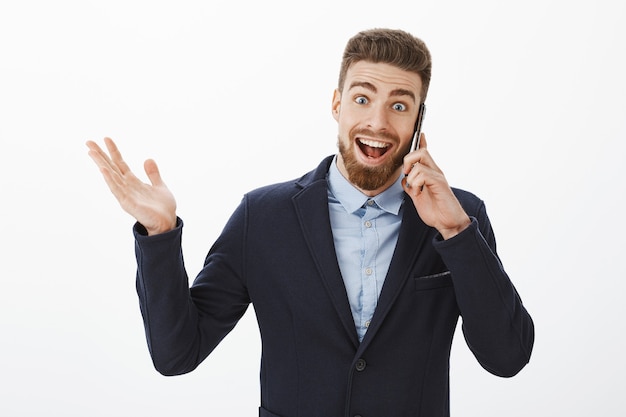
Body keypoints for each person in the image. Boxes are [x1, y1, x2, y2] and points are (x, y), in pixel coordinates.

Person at [86, 28, 534, 417]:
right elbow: (177, 353)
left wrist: (456, 234)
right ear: (337, 105)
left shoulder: (462, 216)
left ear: (419, 121)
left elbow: (507, 356)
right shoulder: (262, 217)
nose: (377, 122)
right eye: (362, 99)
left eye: (400, 106)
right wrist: (160, 236)